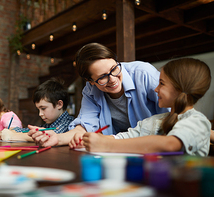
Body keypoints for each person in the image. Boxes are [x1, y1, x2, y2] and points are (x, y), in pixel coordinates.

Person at [29, 43, 169, 148]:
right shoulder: (90, 91)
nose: (113, 79)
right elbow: (84, 127)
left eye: (114, 69)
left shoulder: (143, 74)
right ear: (90, 81)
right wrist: (57, 139)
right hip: (119, 149)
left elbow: (174, 113)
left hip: (157, 145)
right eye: (103, 77)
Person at [82, 58, 212, 156]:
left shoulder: (197, 121)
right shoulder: (153, 121)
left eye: (161, 83)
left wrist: (107, 144)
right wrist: (95, 139)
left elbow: (170, 144)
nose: (156, 89)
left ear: (179, 89)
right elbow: (123, 137)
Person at [0, 78, 74, 142]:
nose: (40, 114)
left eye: (43, 108)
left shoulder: (69, 123)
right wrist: (6, 131)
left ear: (59, 104)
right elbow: (26, 130)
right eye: (38, 109)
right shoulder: (50, 124)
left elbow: (52, 135)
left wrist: (13, 136)